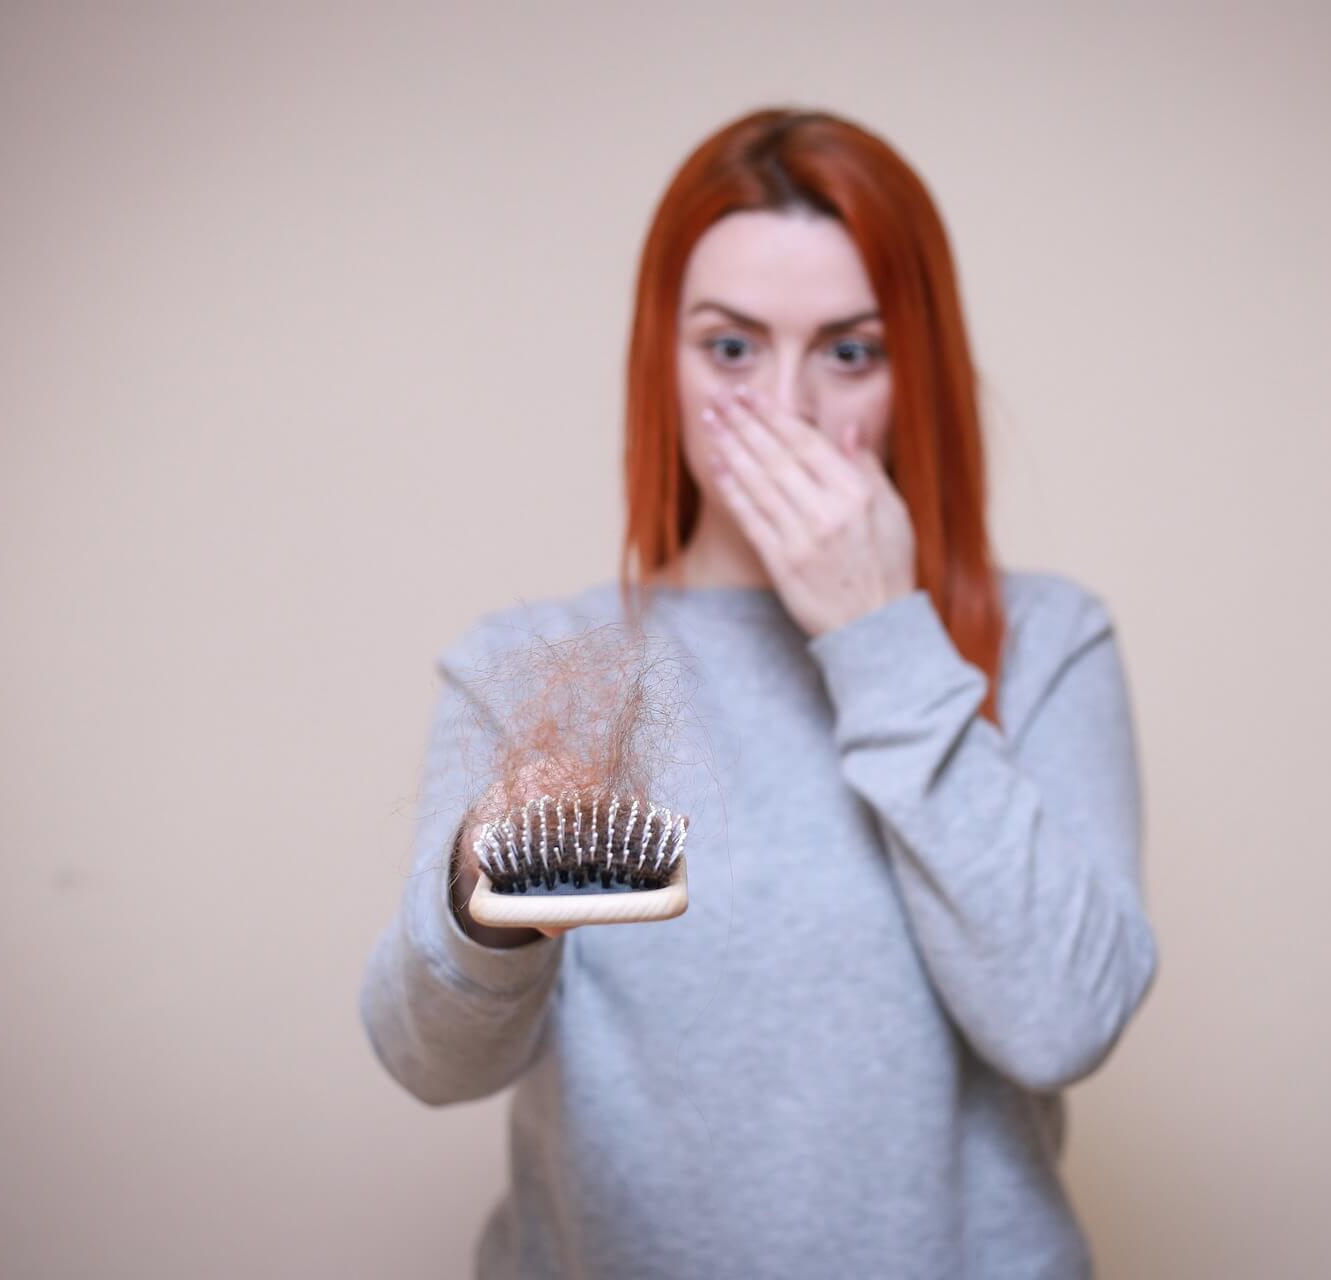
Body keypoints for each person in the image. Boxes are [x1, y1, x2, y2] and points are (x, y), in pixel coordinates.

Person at [359, 106, 1160, 1279]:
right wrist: (489, 895)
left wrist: (882, 638)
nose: (786, 410)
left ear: (916, 370)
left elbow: (1063, 1021)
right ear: (663, 360)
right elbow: (429, 1059)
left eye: (850, 352)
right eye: (731, 348)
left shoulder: (1046, 642)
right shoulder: (541, 661)